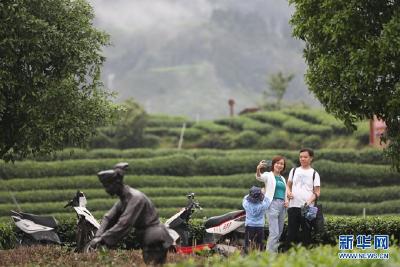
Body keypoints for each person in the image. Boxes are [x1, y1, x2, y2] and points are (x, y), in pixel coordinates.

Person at [89, 163, 173, 265]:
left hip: (154, 237)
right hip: (147, 237)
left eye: (108, 185)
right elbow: (108, 217)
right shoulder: (124, 199)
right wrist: (97, 236)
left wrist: (103, 238)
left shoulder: (135, 198)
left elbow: (125, 223)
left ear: (117, 183)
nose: (106, 189)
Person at [285, 148, 320, 249]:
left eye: (305, 157)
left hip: (307, 208)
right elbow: (288, 185)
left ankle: (306, 258)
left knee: (306, 234)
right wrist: (289, 192)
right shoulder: (294, 170)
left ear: (311, 158)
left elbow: (317, 192)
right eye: (301, 157)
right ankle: (287, 256)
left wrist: (308, 202)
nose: (302, 159)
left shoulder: (314, 174)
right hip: (293, 206)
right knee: (291, 233)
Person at [255, 156, 288, 252]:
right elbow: (259, 177)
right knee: (274, 232)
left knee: (280, 232)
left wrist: (286, 201)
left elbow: (284, 192)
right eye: (277, 163)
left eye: (282, 164)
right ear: (273, 165)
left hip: (282, 205)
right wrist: (258, 169)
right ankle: (270, 255)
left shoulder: (282, 178)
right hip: (272, 204)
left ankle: (274, 252)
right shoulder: (268, 175)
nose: (279, 165)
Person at [242, 186, 270, 253]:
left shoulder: (246, 204)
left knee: (248, 245)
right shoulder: (263, 205)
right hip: (260, 227)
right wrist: (263, 194)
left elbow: (245, 198)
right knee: (260, 246)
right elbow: (268, 201)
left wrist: (251, 193)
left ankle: (248, 258)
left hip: (249, 226)